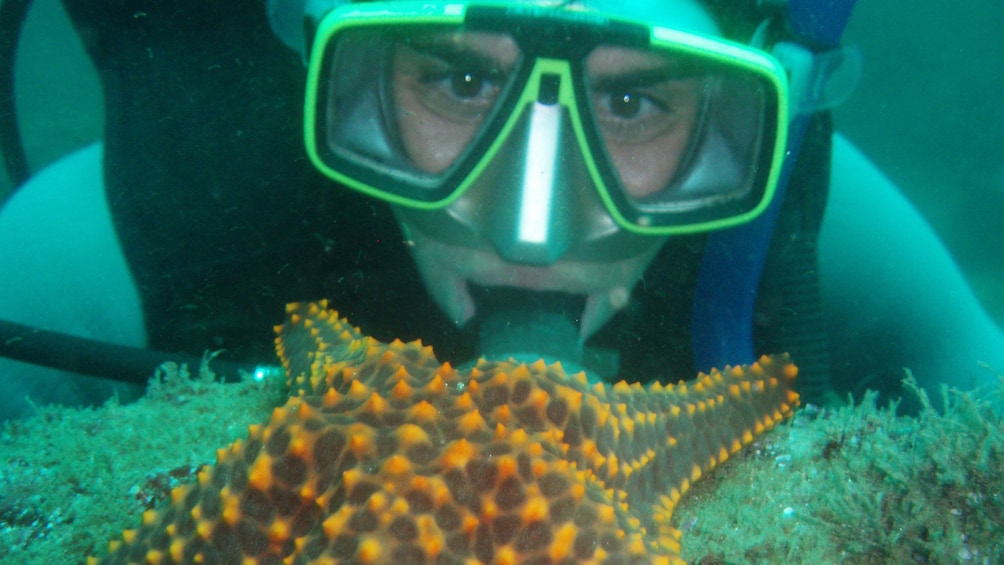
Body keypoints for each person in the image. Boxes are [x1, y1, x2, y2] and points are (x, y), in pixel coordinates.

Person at [0, 0, 1001, 421]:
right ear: (329, 68)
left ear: (751, 124)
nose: (531, 228)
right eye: (456, 84)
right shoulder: (162, 214)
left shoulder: (784, 215)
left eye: (631, 101)